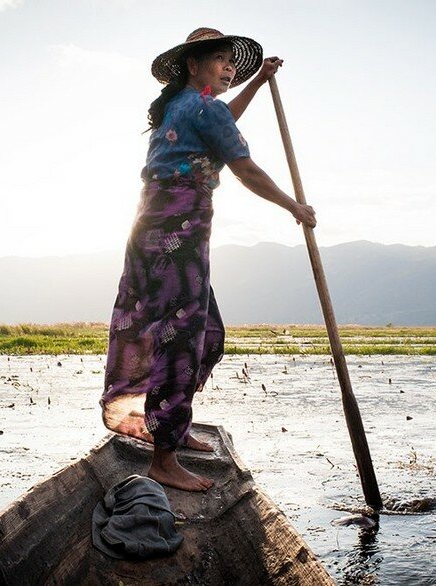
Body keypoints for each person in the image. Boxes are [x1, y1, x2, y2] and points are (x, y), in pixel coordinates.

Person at [101, 28, 316, 492]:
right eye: (219, 59)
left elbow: (221, 126)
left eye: (230, 61)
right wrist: (293, 207)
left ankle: (172, 428)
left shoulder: (184, 107)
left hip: (156, 231)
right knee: (181, 338)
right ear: (193, 66)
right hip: (176, 234)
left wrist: (256, 83)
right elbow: (245, 168)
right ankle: (164, 457)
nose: (229, 67)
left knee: (207, 334)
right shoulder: (202, 107)